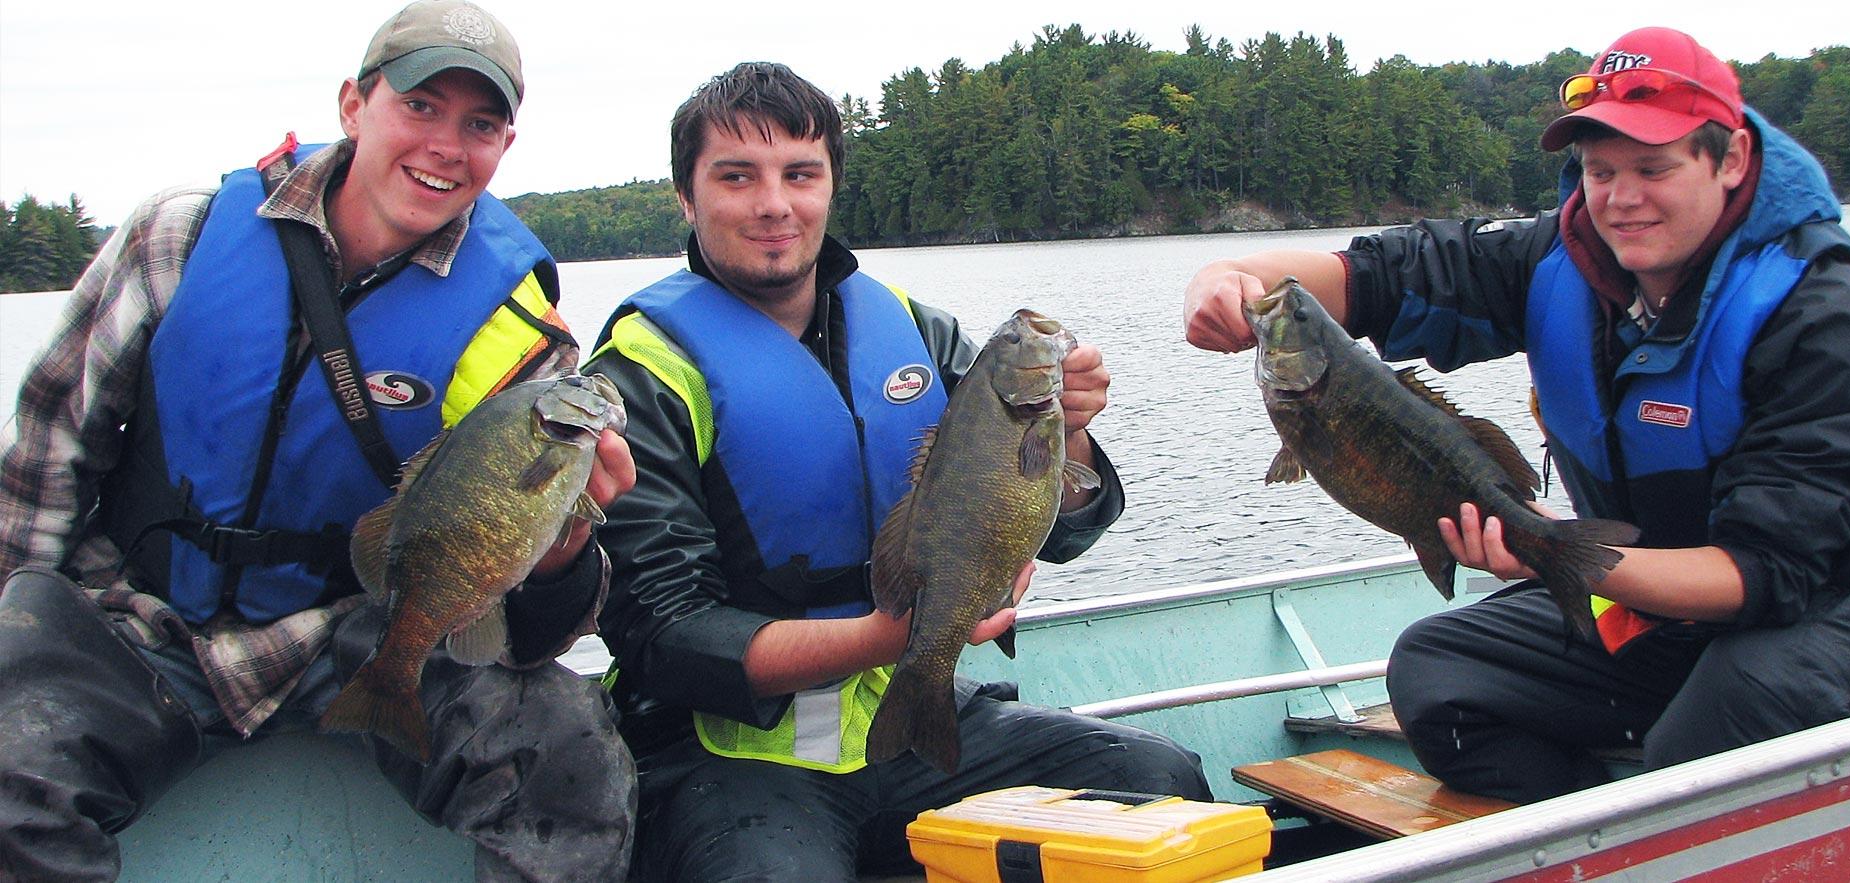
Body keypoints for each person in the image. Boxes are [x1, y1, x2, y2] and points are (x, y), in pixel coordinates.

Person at [1182, 26, 1850, 804]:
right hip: (1661, 602)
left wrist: (1546, 550)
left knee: (1722, 727)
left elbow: (1768, 573)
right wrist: (1227, 273)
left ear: (1730, 160)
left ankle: (1662, 824)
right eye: (1600, 171)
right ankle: (1584, 835)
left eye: (1652, 168)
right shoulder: (1557, 257)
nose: (1621, 197)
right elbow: (1375, 274)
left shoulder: (1826, 316)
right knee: (1439, 674)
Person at [0, 2, 639, 879]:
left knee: (571, 765)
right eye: (420, 106)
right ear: (353, 104)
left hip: (360, 631)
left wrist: (566, 552)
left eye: (480, 124)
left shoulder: (521, 336)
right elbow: (47, 455)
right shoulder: (174, 239)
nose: (447, 147)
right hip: (139, 618)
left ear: (504, 147)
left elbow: (527, 626)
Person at [584, 61, 1211, 880]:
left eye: (801, 174)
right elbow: (661, 633)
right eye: (737, 176)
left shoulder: (916, 328)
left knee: (1158, 784)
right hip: (730, 756)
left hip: (910, 707)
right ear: (686, 195)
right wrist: (891, 637)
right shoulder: (639, 374)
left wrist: (1072, 434)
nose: (775, 204)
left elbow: (1061, 532)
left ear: (831, 185)